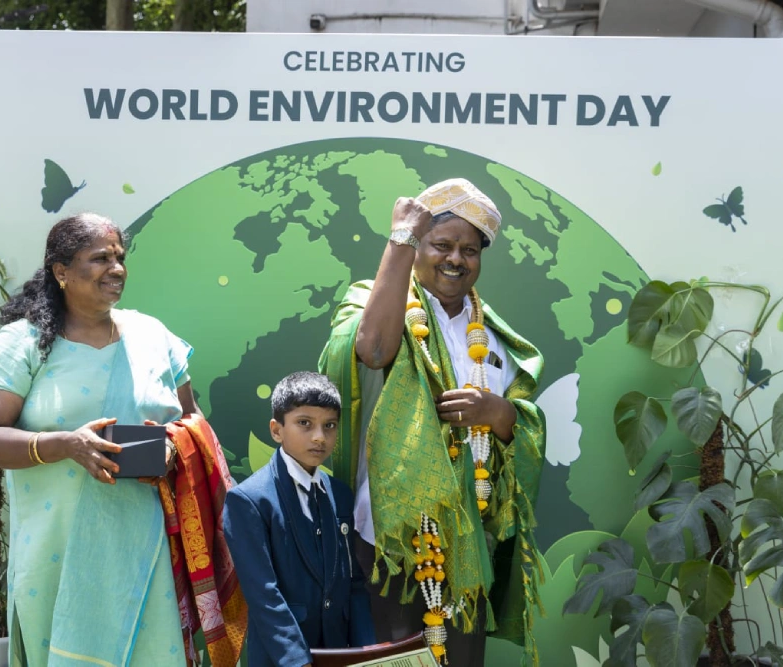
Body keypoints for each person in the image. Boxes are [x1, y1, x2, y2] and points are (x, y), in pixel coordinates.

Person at [0, 213, 243, 667]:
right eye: (100, 258)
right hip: (57, 556)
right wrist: (66, 445)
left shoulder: (153, 336)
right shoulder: (23, 343)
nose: (116, 269)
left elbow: (193, 421)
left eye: (120, 258)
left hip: (147, 550)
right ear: (61, 270)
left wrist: (174, 447)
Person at [319, 179, 546, 666]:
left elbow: (523, 429)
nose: (455, 259)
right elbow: (373, 350)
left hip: (466, 537)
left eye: (470, 250)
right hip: (388, 535)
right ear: (417, 246)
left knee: (460, 657)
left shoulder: (493, 337)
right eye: (441, 245)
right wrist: (400, 236)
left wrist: (498, 413)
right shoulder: (378, 304)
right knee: (393, 657)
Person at [222, 371, 376, 667]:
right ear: (276, 430)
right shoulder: (248, 500)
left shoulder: (340, 494)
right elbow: (263, 594)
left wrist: (367, 653)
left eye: (329, 425)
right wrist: (297, 661)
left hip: (338, 653)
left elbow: (354, 584)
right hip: (282, 658)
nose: (319, 437)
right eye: (305, 423)